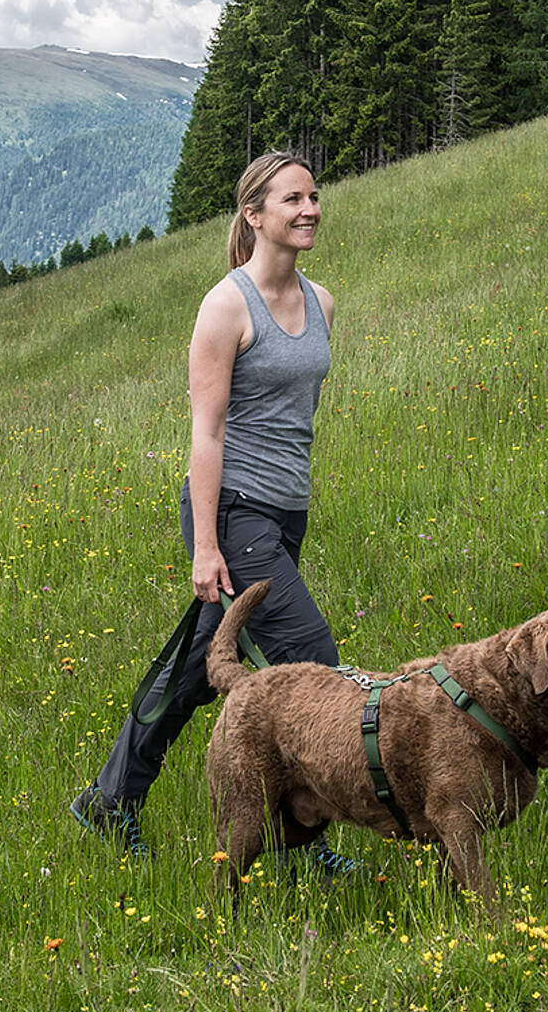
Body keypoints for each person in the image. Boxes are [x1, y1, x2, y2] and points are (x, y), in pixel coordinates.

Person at [70, 151, 362, 877]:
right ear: (254, 215)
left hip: (284, 512)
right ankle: (306, 848)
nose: (310, 209)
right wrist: (207, 543)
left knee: (204, 666)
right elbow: (207, 433)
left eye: (315, 197)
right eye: (292, 199)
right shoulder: (226, 306)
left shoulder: (322, 302)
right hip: (232, 511)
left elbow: (295, 417)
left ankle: (110, 802)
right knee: (311, 664)